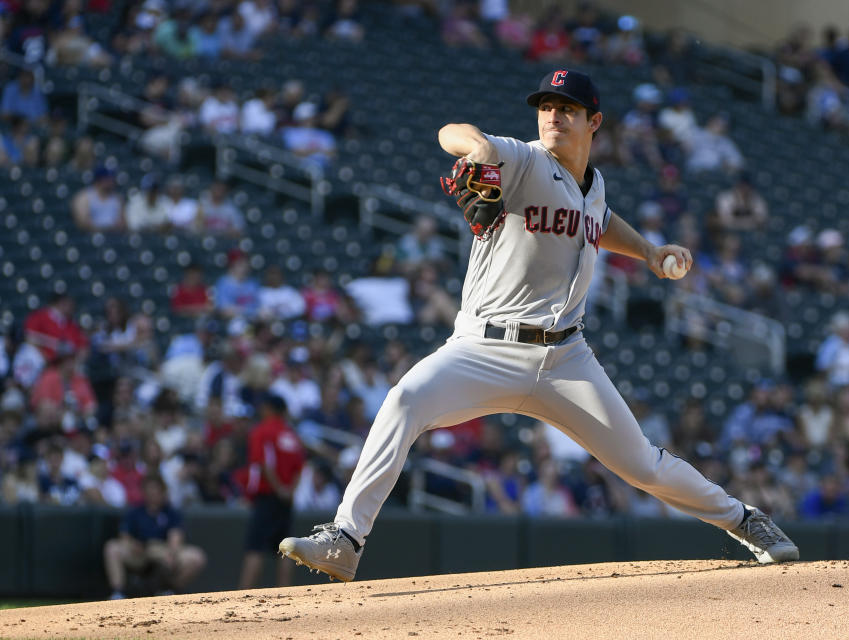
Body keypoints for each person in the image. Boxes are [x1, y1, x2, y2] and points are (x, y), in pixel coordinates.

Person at [278, 69, 798, 582]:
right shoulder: (522, 159)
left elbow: (598, 219)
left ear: (595, 121)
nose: (554, 116)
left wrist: (647, 251)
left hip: (566, 358)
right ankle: (345, 539)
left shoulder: (593, 187)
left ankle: (746, 521)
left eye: (567, 109)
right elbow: (451, 134)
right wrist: (478, 151)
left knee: (642, 464)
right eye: (547, 107)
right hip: (485, 346)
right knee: (404, 400)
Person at [103, 474, 206, 599]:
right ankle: (118, 592)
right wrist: (132, 544)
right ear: (144, 492)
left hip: (163, 550)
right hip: (140, 551)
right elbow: (125, 535)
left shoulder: (170, 512)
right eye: (149, 489)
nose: (153, 493)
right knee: (112, 547)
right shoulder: (135, 511)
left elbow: (175, 536)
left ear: (162, 491)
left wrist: (171, 553)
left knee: (196, 557)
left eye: (156, 489)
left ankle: (170, 590)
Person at [238, 395, 305, 589]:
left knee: (255, 547)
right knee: (285, 548)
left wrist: (279, 489)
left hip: (268, 497)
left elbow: (263, 464)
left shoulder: (262, 431)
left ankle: (243, 595)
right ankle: (284, 593)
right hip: (285, 500)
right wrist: (289, 491)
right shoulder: (291, 434)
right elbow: (300, 468)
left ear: (268, 408)